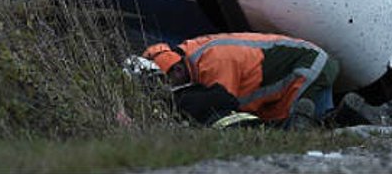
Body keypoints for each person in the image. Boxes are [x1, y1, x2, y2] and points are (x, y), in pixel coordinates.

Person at [142, 32, 339, 126]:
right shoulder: (193, 54)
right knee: (322, 127)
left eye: (165, 81)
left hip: (309, 67)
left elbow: (224, 105)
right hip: (310, 66)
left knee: (298, 128)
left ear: (177, 70)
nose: (166, 87)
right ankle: (346, 116)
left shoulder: (214, 63)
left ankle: (341, 120)